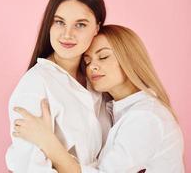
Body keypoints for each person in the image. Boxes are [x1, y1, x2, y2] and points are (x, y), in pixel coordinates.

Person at [13, 25, 185, 173]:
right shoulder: (115, 109)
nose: (92, 67)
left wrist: (49, 143)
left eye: (103, 57)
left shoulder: (146, 117)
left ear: (129, 58)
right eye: (87, 61)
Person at [5, 0, 111, 173]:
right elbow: (29, 168)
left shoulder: (99, 79)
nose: (67, 34)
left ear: (97, 27)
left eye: (80, 24)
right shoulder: (35, 86)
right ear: (49, 25)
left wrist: (52, 147)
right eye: (59, 22)